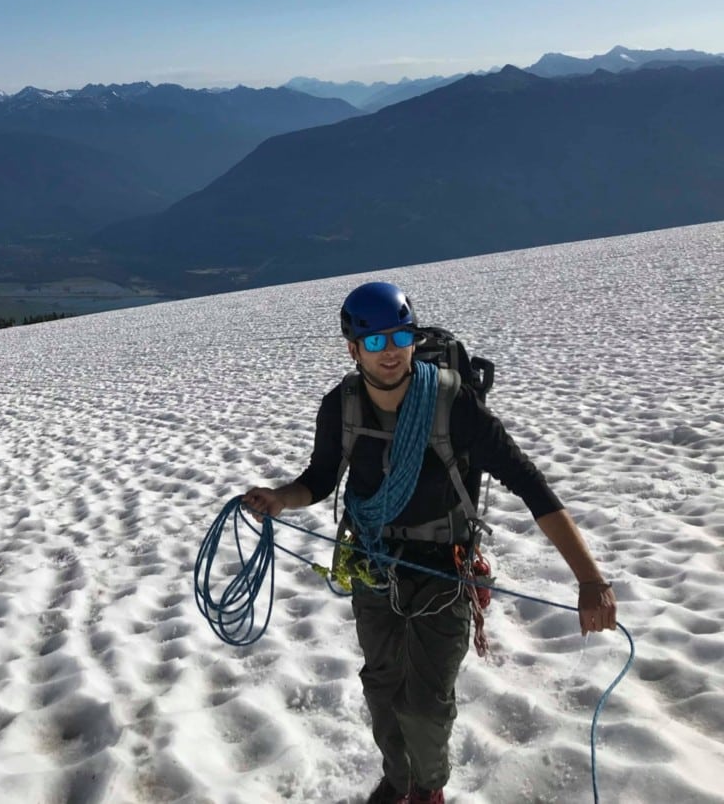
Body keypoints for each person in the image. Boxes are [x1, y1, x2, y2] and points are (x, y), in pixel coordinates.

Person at [243, 281, 617, 804]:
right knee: (381, 687)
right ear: (353, 350)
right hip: (374, 567)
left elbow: (531, 485)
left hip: (444, 570)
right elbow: (323, 476)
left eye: (400, 336)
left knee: (425, 700)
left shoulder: (453, 404)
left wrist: (590, 578)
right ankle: (399, 779)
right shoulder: (342, 406)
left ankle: (428, 789)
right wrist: (281, 498)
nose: (390, 351)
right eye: (374, 342)